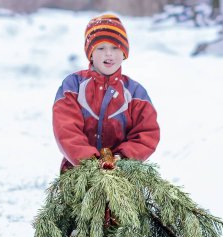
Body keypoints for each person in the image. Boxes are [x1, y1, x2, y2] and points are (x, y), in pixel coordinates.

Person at [53, 14, 160, 171]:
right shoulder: (73, 86)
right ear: (90, 53)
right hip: (79, 172)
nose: (109, 54)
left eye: (115, 47)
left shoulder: (136, 93)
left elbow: (147, 133)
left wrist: (122, 159)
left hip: (122, 176)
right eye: (101, 48)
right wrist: (89, 161)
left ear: (124, 53)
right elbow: (66, 129)